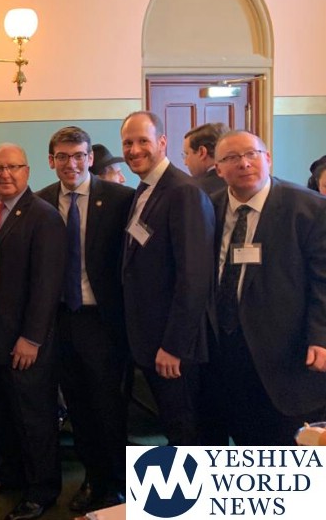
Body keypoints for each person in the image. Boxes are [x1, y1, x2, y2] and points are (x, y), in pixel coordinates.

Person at [209, 131, 326, 444]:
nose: (244, 163)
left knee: (288, 446)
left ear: (268, 158)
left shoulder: (309, 208)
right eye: (232, 158)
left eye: (252, 154)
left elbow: (323, 279)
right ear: (218, 169)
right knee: (244, 437)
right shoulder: (209, 207)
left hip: (287, 351)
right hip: (227, 348)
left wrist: (321, 336)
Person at [37, 128, 132, 514]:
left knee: (108, 407)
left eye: (78, 155)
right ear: (51, 161)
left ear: (90, 158)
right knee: (78, 407)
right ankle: (92, 479)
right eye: (62, 156)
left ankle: (118, 485)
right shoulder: (41, 201)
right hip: (61, 319)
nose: (71, 164)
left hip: (103, 321)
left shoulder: (121, 199)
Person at [0, 144, 65, 520]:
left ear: (27, 171)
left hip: (27, 341)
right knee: (3, 414)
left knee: (34, 418)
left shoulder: (44, 216)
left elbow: (47, 284)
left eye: (12, 167)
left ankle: (42, 490)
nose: (5, 174)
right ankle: (9, 475)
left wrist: (32, 338)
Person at [120, 111, 214, 446]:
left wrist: (174, 346)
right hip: (150, 340)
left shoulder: (183, 191)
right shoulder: (145, 190)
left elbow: (194, 277)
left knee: (187, 433)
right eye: (128, 143)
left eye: (142, 141)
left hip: (174, 348)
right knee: (175, 430)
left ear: (162, 142)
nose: (134, 150)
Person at [182, 122, 229, 195]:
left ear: (202, 152)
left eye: (186, 154)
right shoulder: (239, 182)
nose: (185, 163)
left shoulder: (194, 189)